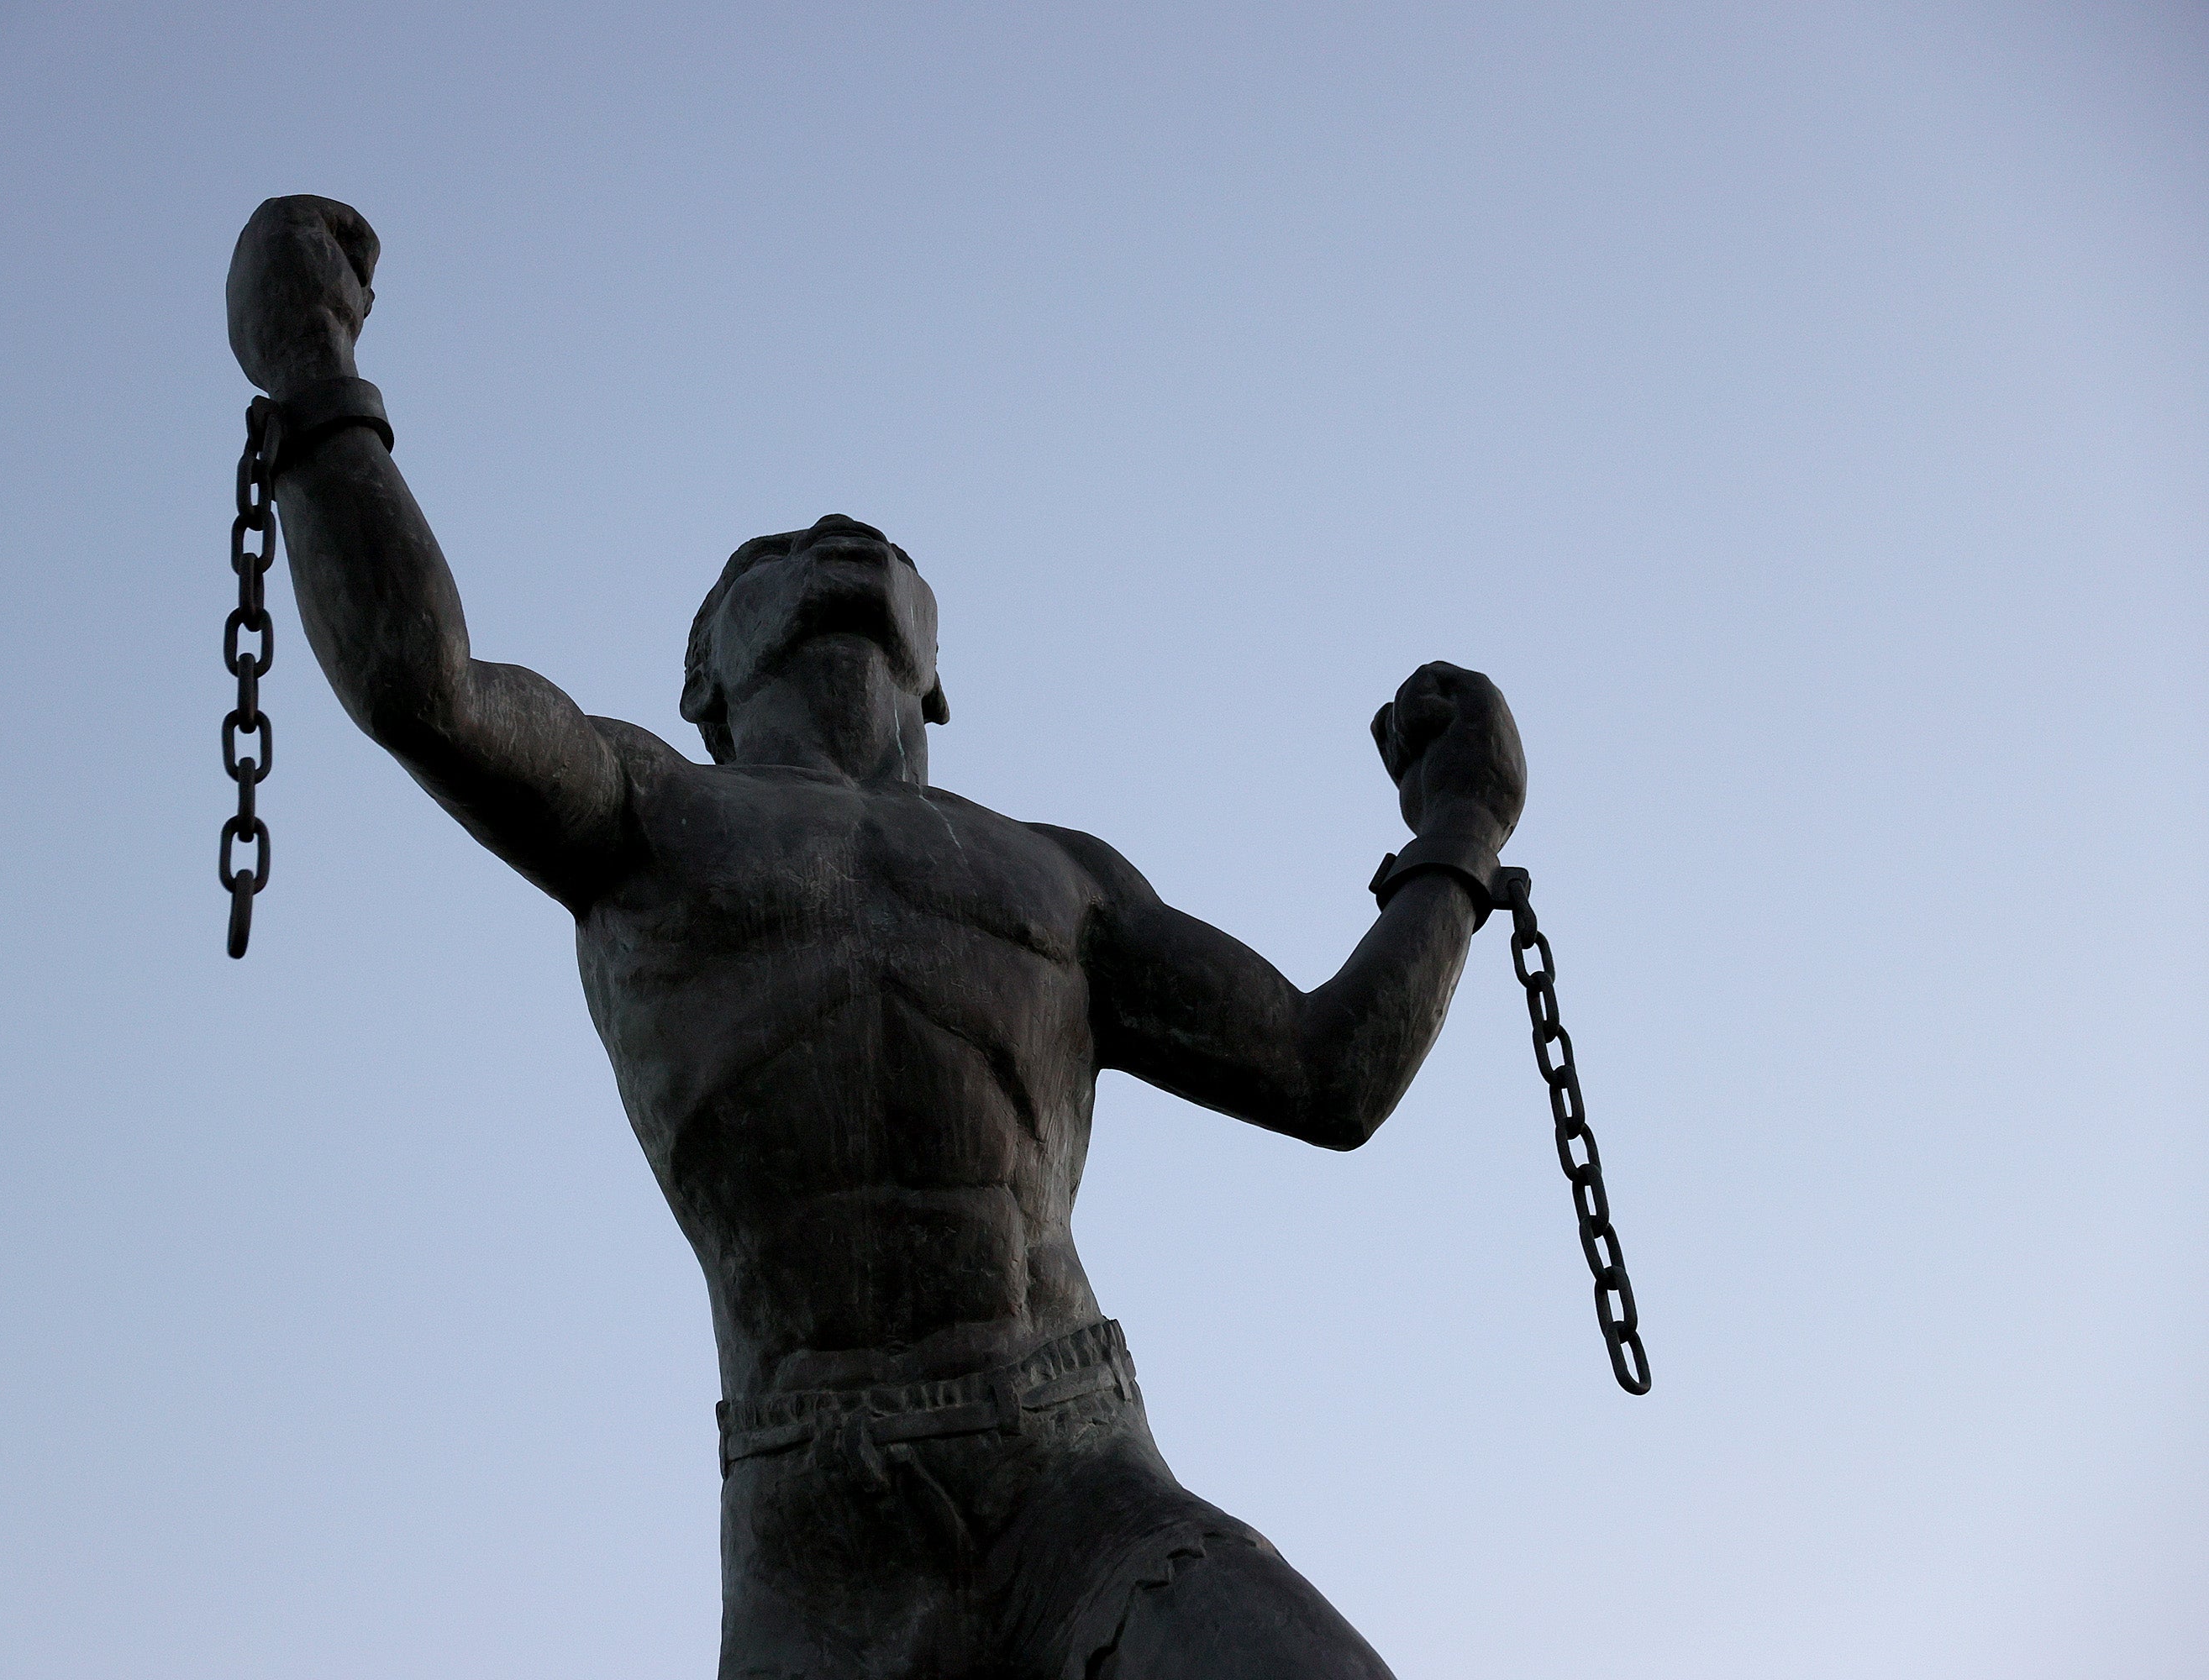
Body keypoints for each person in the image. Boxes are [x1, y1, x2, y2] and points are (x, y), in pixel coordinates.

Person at [228, 195, 1528, 1680]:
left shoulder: (1062, 881)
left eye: (877, 545)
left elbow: (1326, 1072)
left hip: (1082, 1476)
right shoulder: (647, 808)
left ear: (938, 674)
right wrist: (312, 368)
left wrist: (1460, 837)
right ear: (704, 674)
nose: (839, 541)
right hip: (814, 1521)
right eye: (771, 551)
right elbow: (427, 688)